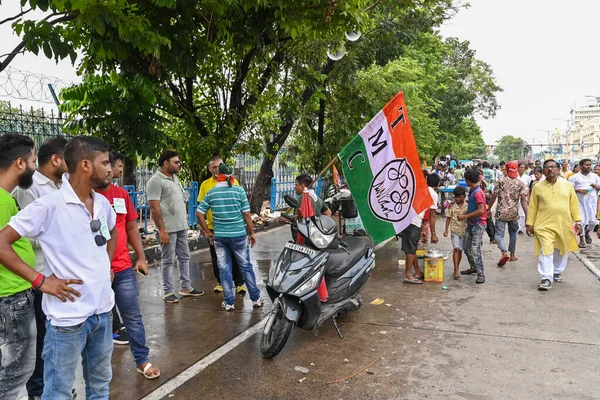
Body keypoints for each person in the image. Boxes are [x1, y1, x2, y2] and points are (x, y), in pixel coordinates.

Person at [0, 136, 119, 399]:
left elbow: (112, 230)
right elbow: (2, 243)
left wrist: (105, 265)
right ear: (85, 165)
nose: (111, 168)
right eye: (105, 162)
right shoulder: (49, 206)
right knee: (58, 393)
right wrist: (40, 281)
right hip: (67, 322)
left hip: (102, 312)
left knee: (100, 388)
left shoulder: (101, 203)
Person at [95, 151, 161, 380]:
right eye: (116, 166)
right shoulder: (86, 196)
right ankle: (98, 369)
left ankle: (142, 360)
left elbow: (132, 228)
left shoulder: (121, 194)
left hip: (122, 268)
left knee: (132, 316)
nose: (119, 170)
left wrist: (141, 258)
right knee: (97, 322)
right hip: (95, 272)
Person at [12, 136, 68, 400]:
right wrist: (56, 231)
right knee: (38, 340)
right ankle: (38, 391)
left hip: (56, 275)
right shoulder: (29, 187)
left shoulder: (62, 186)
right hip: (38, 276)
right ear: (56, 159)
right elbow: (21, 232)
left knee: (54, 337)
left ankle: (53, 386)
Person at [0, 134, 38, 400]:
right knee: (17, 373)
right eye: (34, 161)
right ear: (20, 163)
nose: (35, 167)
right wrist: (38, 279)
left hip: (10, 295)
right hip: (12, 296)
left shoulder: (7, 198)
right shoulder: (2, 200)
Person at [196, 163, 263, 310]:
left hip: (219, 237)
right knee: (245, 266)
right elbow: (246, 214)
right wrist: (252, 233)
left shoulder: (212, 192)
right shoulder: (239, 191)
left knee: (224, 269)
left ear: (217, 176)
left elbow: (199, 212)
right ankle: (256, 298)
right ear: (232, 176)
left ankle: (229, 302)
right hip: (238, 235)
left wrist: (208, 232)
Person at [147, 150, 204, 303]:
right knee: (168, 260)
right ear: (166, 163)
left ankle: (186, 287)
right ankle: (168, 291)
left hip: (181, 226)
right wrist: (162, 230)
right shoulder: (155, 181)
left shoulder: (174, 178)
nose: (179, 165)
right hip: (168, 229)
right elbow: (154, 208)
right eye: (176, 162)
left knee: (184, 256)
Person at [527, 159, 582, 290]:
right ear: (543, 170)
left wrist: (578, 221)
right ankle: (546, 277)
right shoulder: (538, 187)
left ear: (558, 169)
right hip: (543, 225)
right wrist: (530, 223)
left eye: (552, 167)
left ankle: (556, 270)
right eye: (547, 167)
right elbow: (533, 206)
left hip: (564, 223)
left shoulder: (567, 185)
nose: (550, 169)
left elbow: (574, 204)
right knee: (546, 250)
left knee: (561, 249)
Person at [198, 156, 246, 293]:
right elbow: (200, 206)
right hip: (214, 227)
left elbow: (239, 202)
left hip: (231, 226)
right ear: (209, 169)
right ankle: (220, 282)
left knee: (236, 256)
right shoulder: (205, 185)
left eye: (219, 166)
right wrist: (203, 226)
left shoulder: (233, 181)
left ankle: (239, 283)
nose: (217, 169)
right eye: (214, 167)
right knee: (217, 256)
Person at [489, 161, 528, 267]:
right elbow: (524, 200)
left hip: (501, 212)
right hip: (514, 213)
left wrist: (488, 208)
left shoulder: (500, 181)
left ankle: (504, 252)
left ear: (506, 169)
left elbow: (494, 195)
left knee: (498, 235)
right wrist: (527, 215)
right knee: (513, 233)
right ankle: (513, 254)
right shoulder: (520, 183)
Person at [459, 168, 487, 284]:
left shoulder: (478, 193)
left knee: (476, 249)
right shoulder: (473, 191)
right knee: (466, 248)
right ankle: (474, 266)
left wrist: (466, 216)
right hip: (471, 223)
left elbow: (481, 210)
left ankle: (481, 273)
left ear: (468, 180)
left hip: (478, 224)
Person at [568, 159, 600, 248]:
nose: (589, 166)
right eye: (586, 165)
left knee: (593, 222)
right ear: (581, 166)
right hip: (579, 202)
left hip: (592, 203)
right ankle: (581, 240)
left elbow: (599, 188)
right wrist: (579, 190)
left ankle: (586, 233)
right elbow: (569, 190)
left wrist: (596, 186)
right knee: (580, 221)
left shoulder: (595, 177)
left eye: (590, 164)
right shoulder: (574, 177)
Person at [444, 186, 467, 279]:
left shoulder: (467, 206)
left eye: (459, 197)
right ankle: (456, 269)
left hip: (464, 231)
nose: (457, 199)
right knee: (456, 249)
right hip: (454, 231)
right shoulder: (452, 206)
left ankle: (457, 267)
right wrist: (446, 230)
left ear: (464, 196)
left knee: (460, 250)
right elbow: (448, 218)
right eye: (456, 197)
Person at [419, 174, 440, 248]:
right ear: (438, 184)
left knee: (412, 248)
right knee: (421, 246)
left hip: (413, 221)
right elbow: (432, 215)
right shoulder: (433, 194)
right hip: (422, 221)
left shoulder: (420, 189)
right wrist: (433, 234)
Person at [517, 163, 531, 235]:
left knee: (522, 213)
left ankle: (520, 228)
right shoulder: (515, 176)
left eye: (523, 168)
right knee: (516, 212)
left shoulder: (527, 177)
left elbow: (529, 187)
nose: (521, 169)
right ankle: (516, 227)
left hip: (523, 196)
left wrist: (526, 192)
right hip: (515, 196)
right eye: (520, 167)